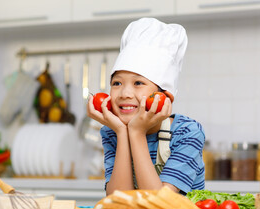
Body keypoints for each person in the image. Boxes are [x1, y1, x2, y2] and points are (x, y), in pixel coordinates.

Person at [87, 18, 205, 196]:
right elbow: (119, 200)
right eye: (117, 83)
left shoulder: (187, 132)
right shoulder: (111, 132)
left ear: (163, 95)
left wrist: (136, 132)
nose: (125, 93)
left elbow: (160, 202)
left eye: (138, 83)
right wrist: (121, 131)